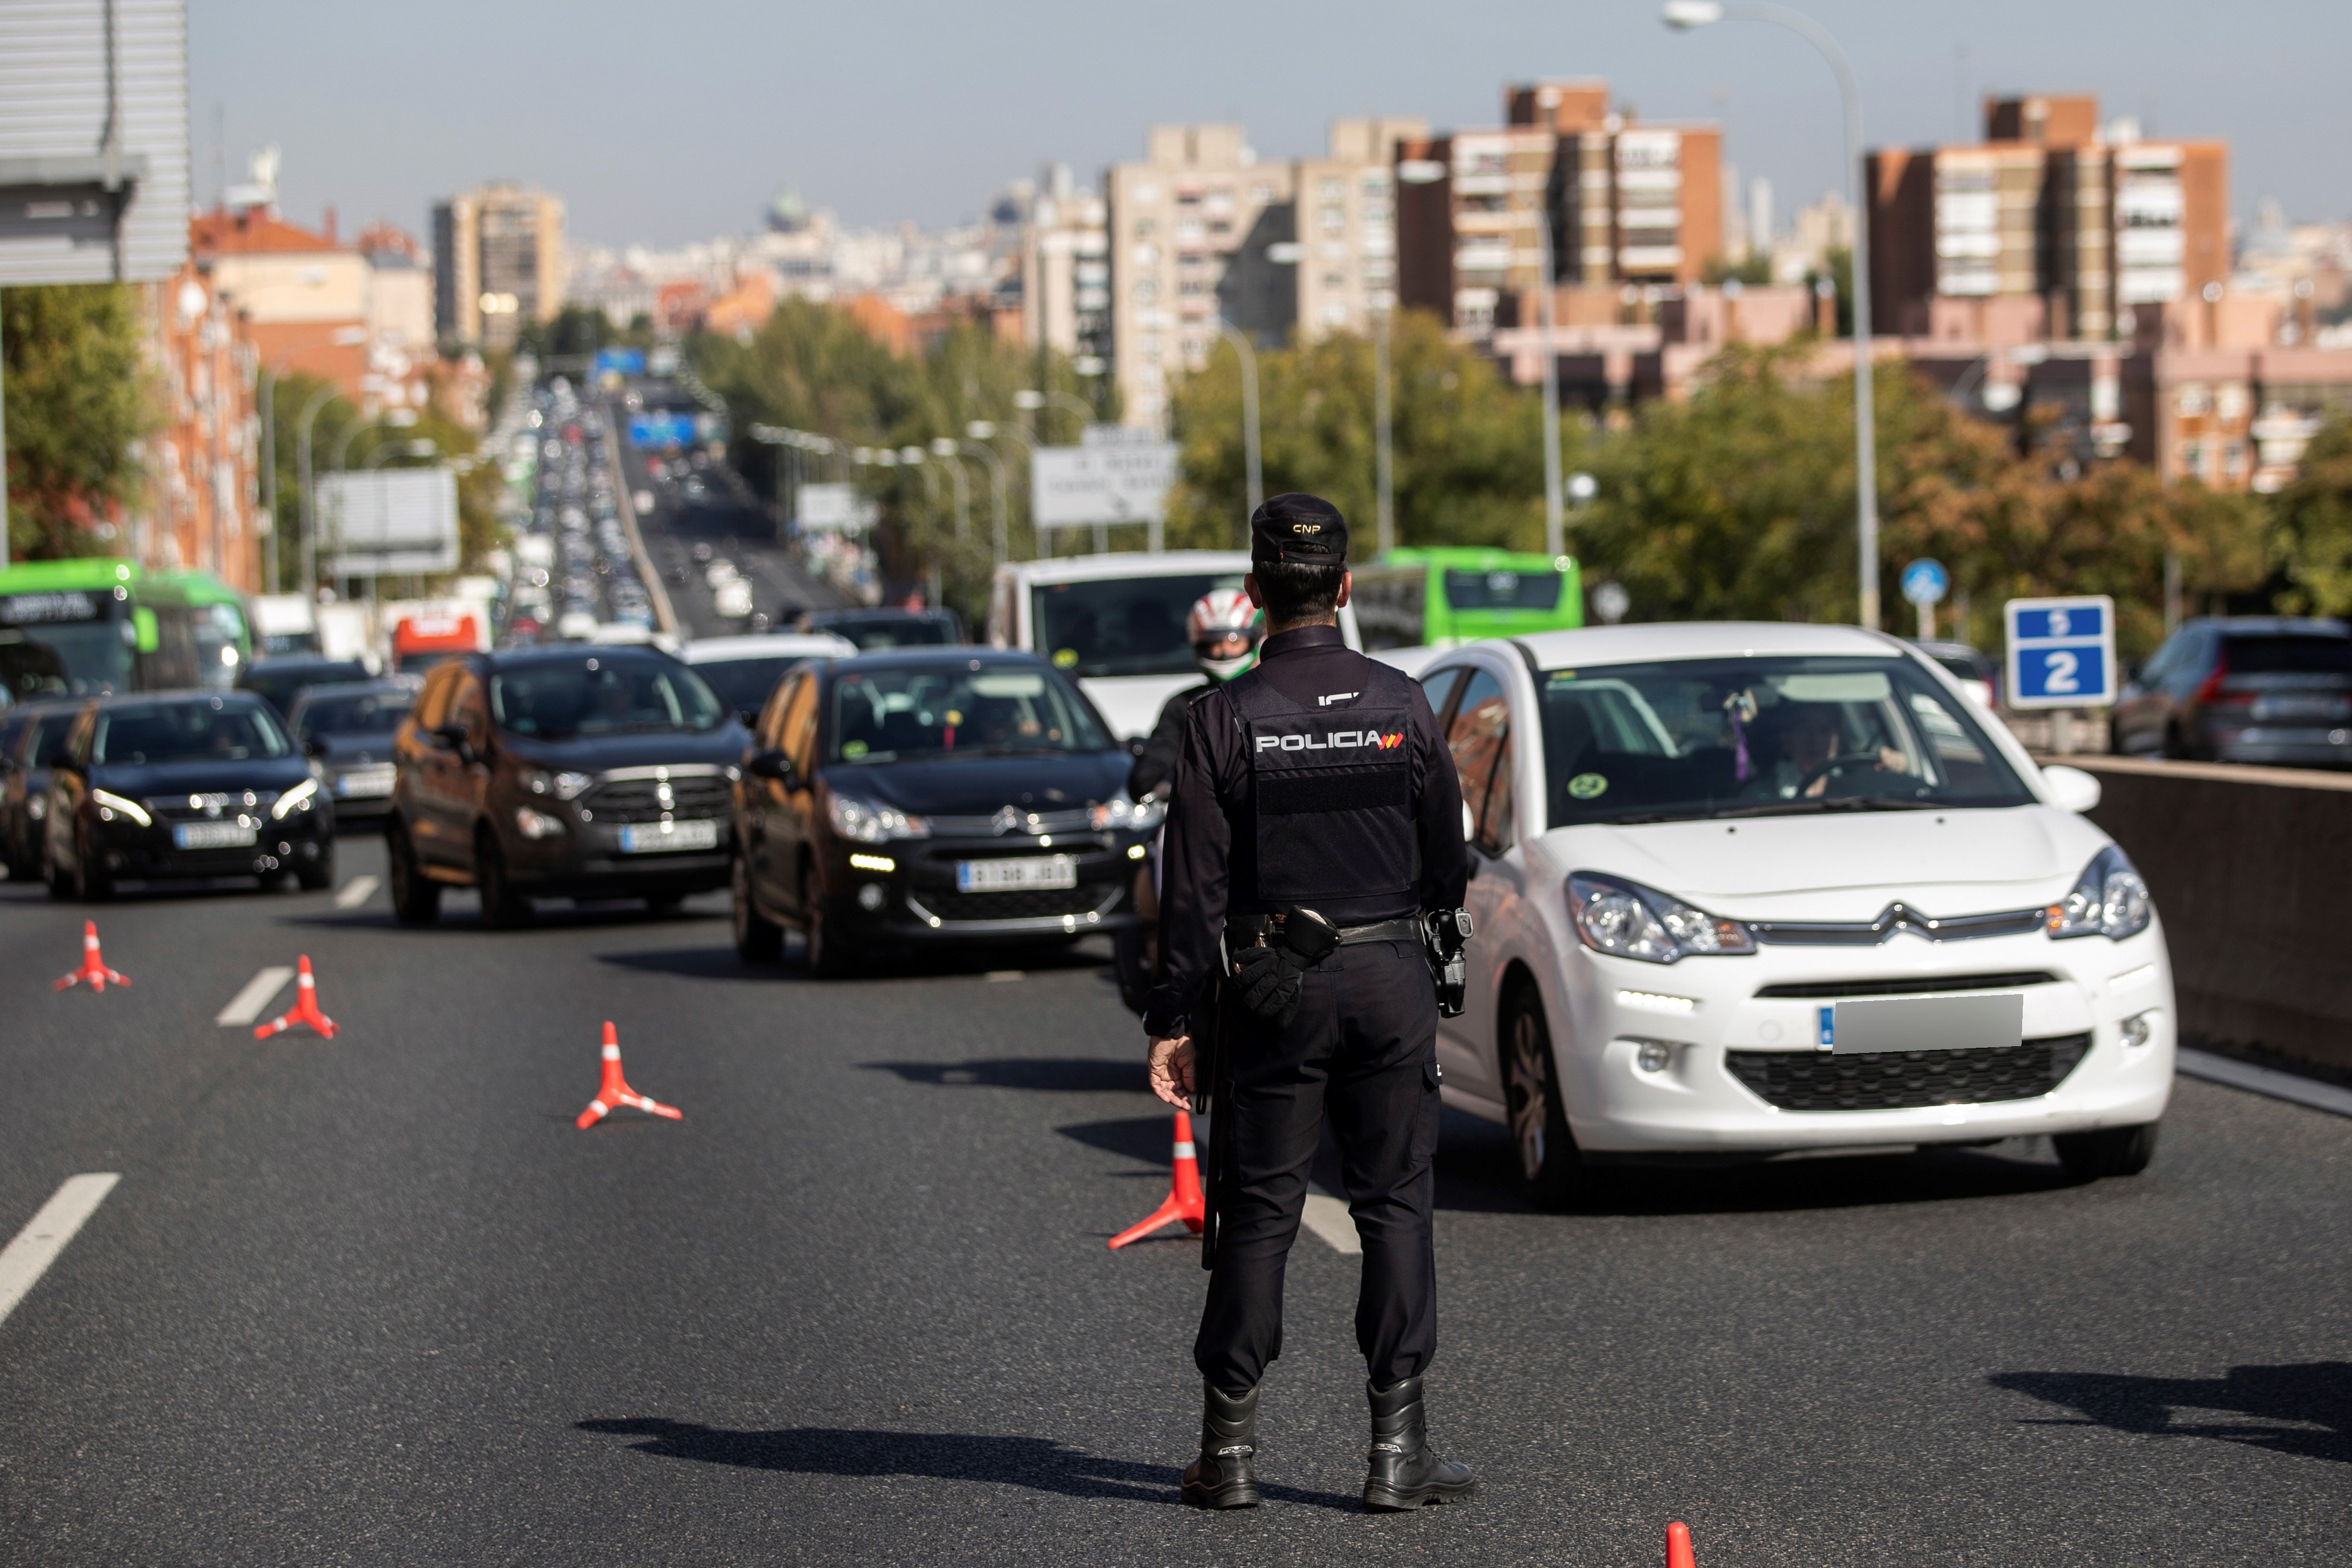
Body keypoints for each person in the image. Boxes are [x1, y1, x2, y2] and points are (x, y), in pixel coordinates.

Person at [1143, 493, 1476, 1513]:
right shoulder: (1404, 702)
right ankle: (1393, 1457)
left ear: (1253, 595)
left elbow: (1190, 889)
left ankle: (1228, 1456)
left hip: (1269, 991)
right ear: (1339, 588)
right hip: (1388, 982)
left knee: (1257, 1213)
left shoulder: (1219, 720)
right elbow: (1448, 866)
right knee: (1394, 1205)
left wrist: (1174, 1020)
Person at [1127, 588, 1264, 801]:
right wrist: (1175, 782)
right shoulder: (1184, 706)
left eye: (1234, 641)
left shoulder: (1273, 697)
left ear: (1254, 640)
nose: (1224, 651)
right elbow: (1148, 772)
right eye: (1214, 643)